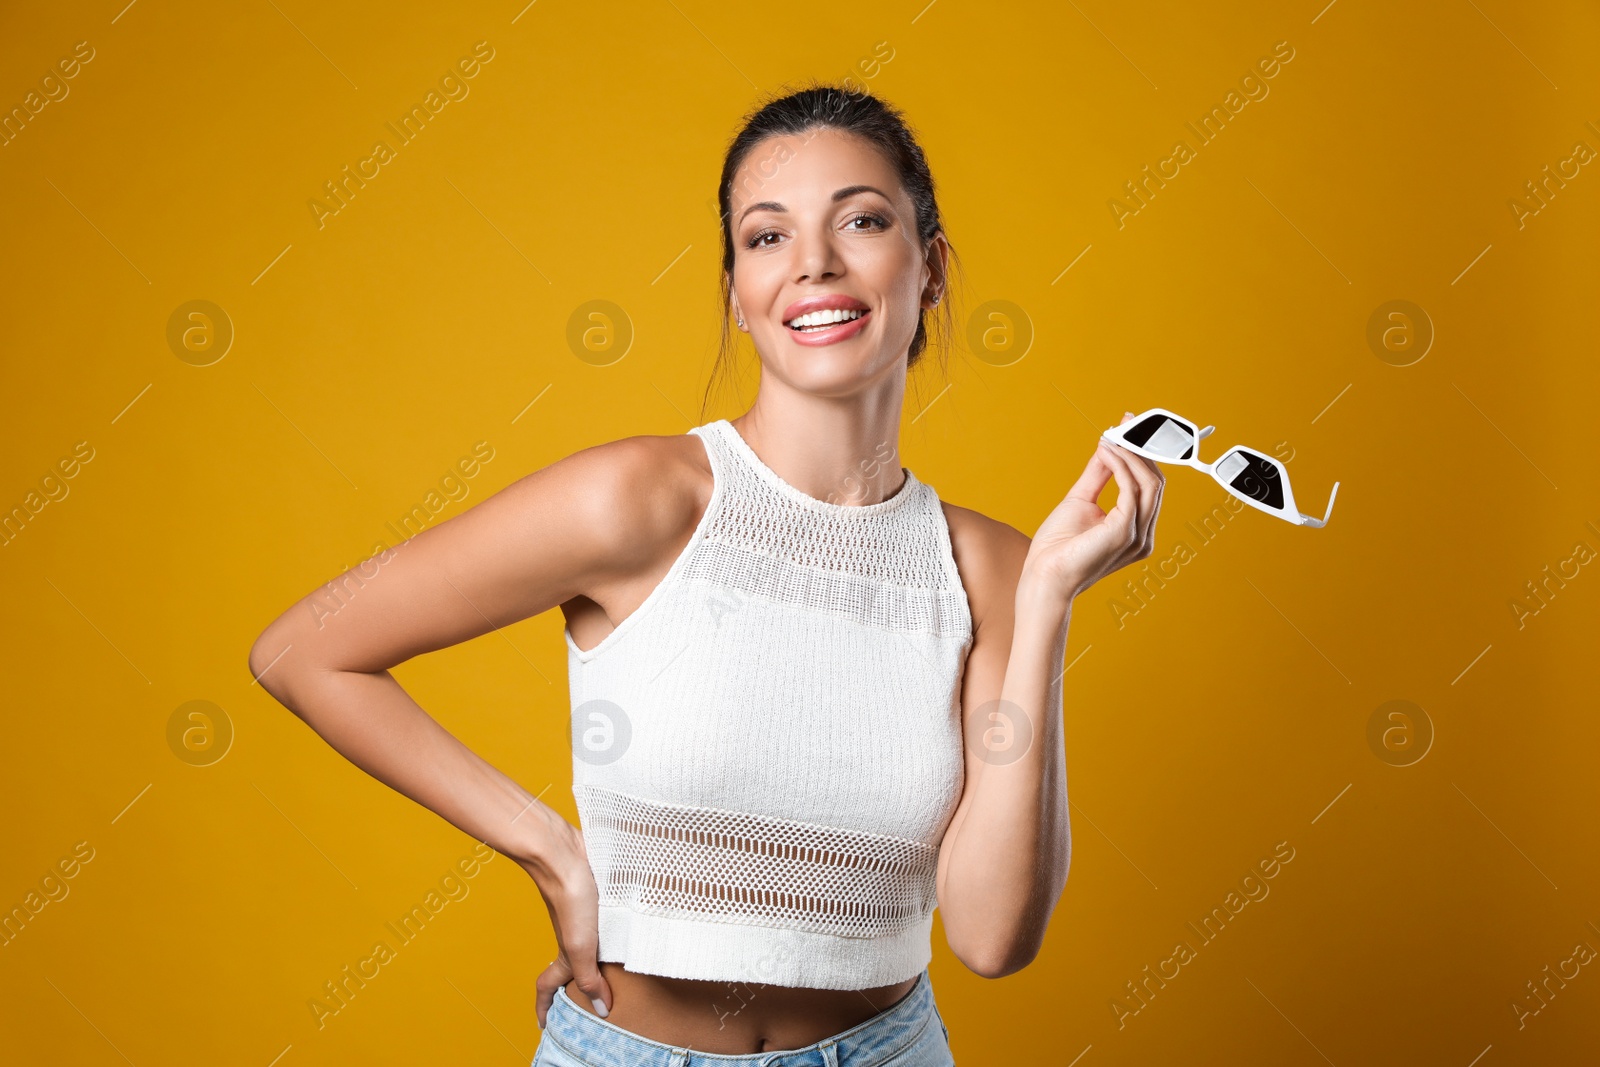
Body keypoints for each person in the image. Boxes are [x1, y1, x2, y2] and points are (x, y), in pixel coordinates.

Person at [249, 81, 1163, 1066]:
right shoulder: (639, 499)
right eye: (766, 237)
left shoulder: (993, 569)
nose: (813, 263)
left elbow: (990, 936)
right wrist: (546, 847)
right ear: (735, 286)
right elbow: (303, 651)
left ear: (929, 268)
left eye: (860, 220)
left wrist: (1047, 605)